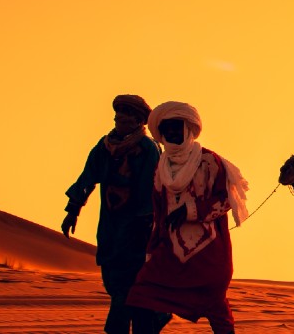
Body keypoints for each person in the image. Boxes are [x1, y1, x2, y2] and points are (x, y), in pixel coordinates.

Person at [126, 102, 249, 334]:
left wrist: (190, 210)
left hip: (209, 254)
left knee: (217, 311)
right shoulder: (161, 168)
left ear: (188, 129)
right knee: (140, 296)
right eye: (166, 129)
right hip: (170, 252)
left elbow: (225, 201)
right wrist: (153, 247)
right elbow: (159, 212)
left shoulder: (209, 162)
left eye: (176, 127)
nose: (171, 133)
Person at [62, 95, 169, 333]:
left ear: (138, 119)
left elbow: (152, 190)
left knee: (128, 286)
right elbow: (87, 178)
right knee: (113, 280)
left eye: (127, 112)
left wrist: (145, 223)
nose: (120, 116)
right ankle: (154, 318)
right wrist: (73, 210)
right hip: (111, 228)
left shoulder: (148, 149)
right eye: (119, 111)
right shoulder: (104, 147)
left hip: (139, 230)